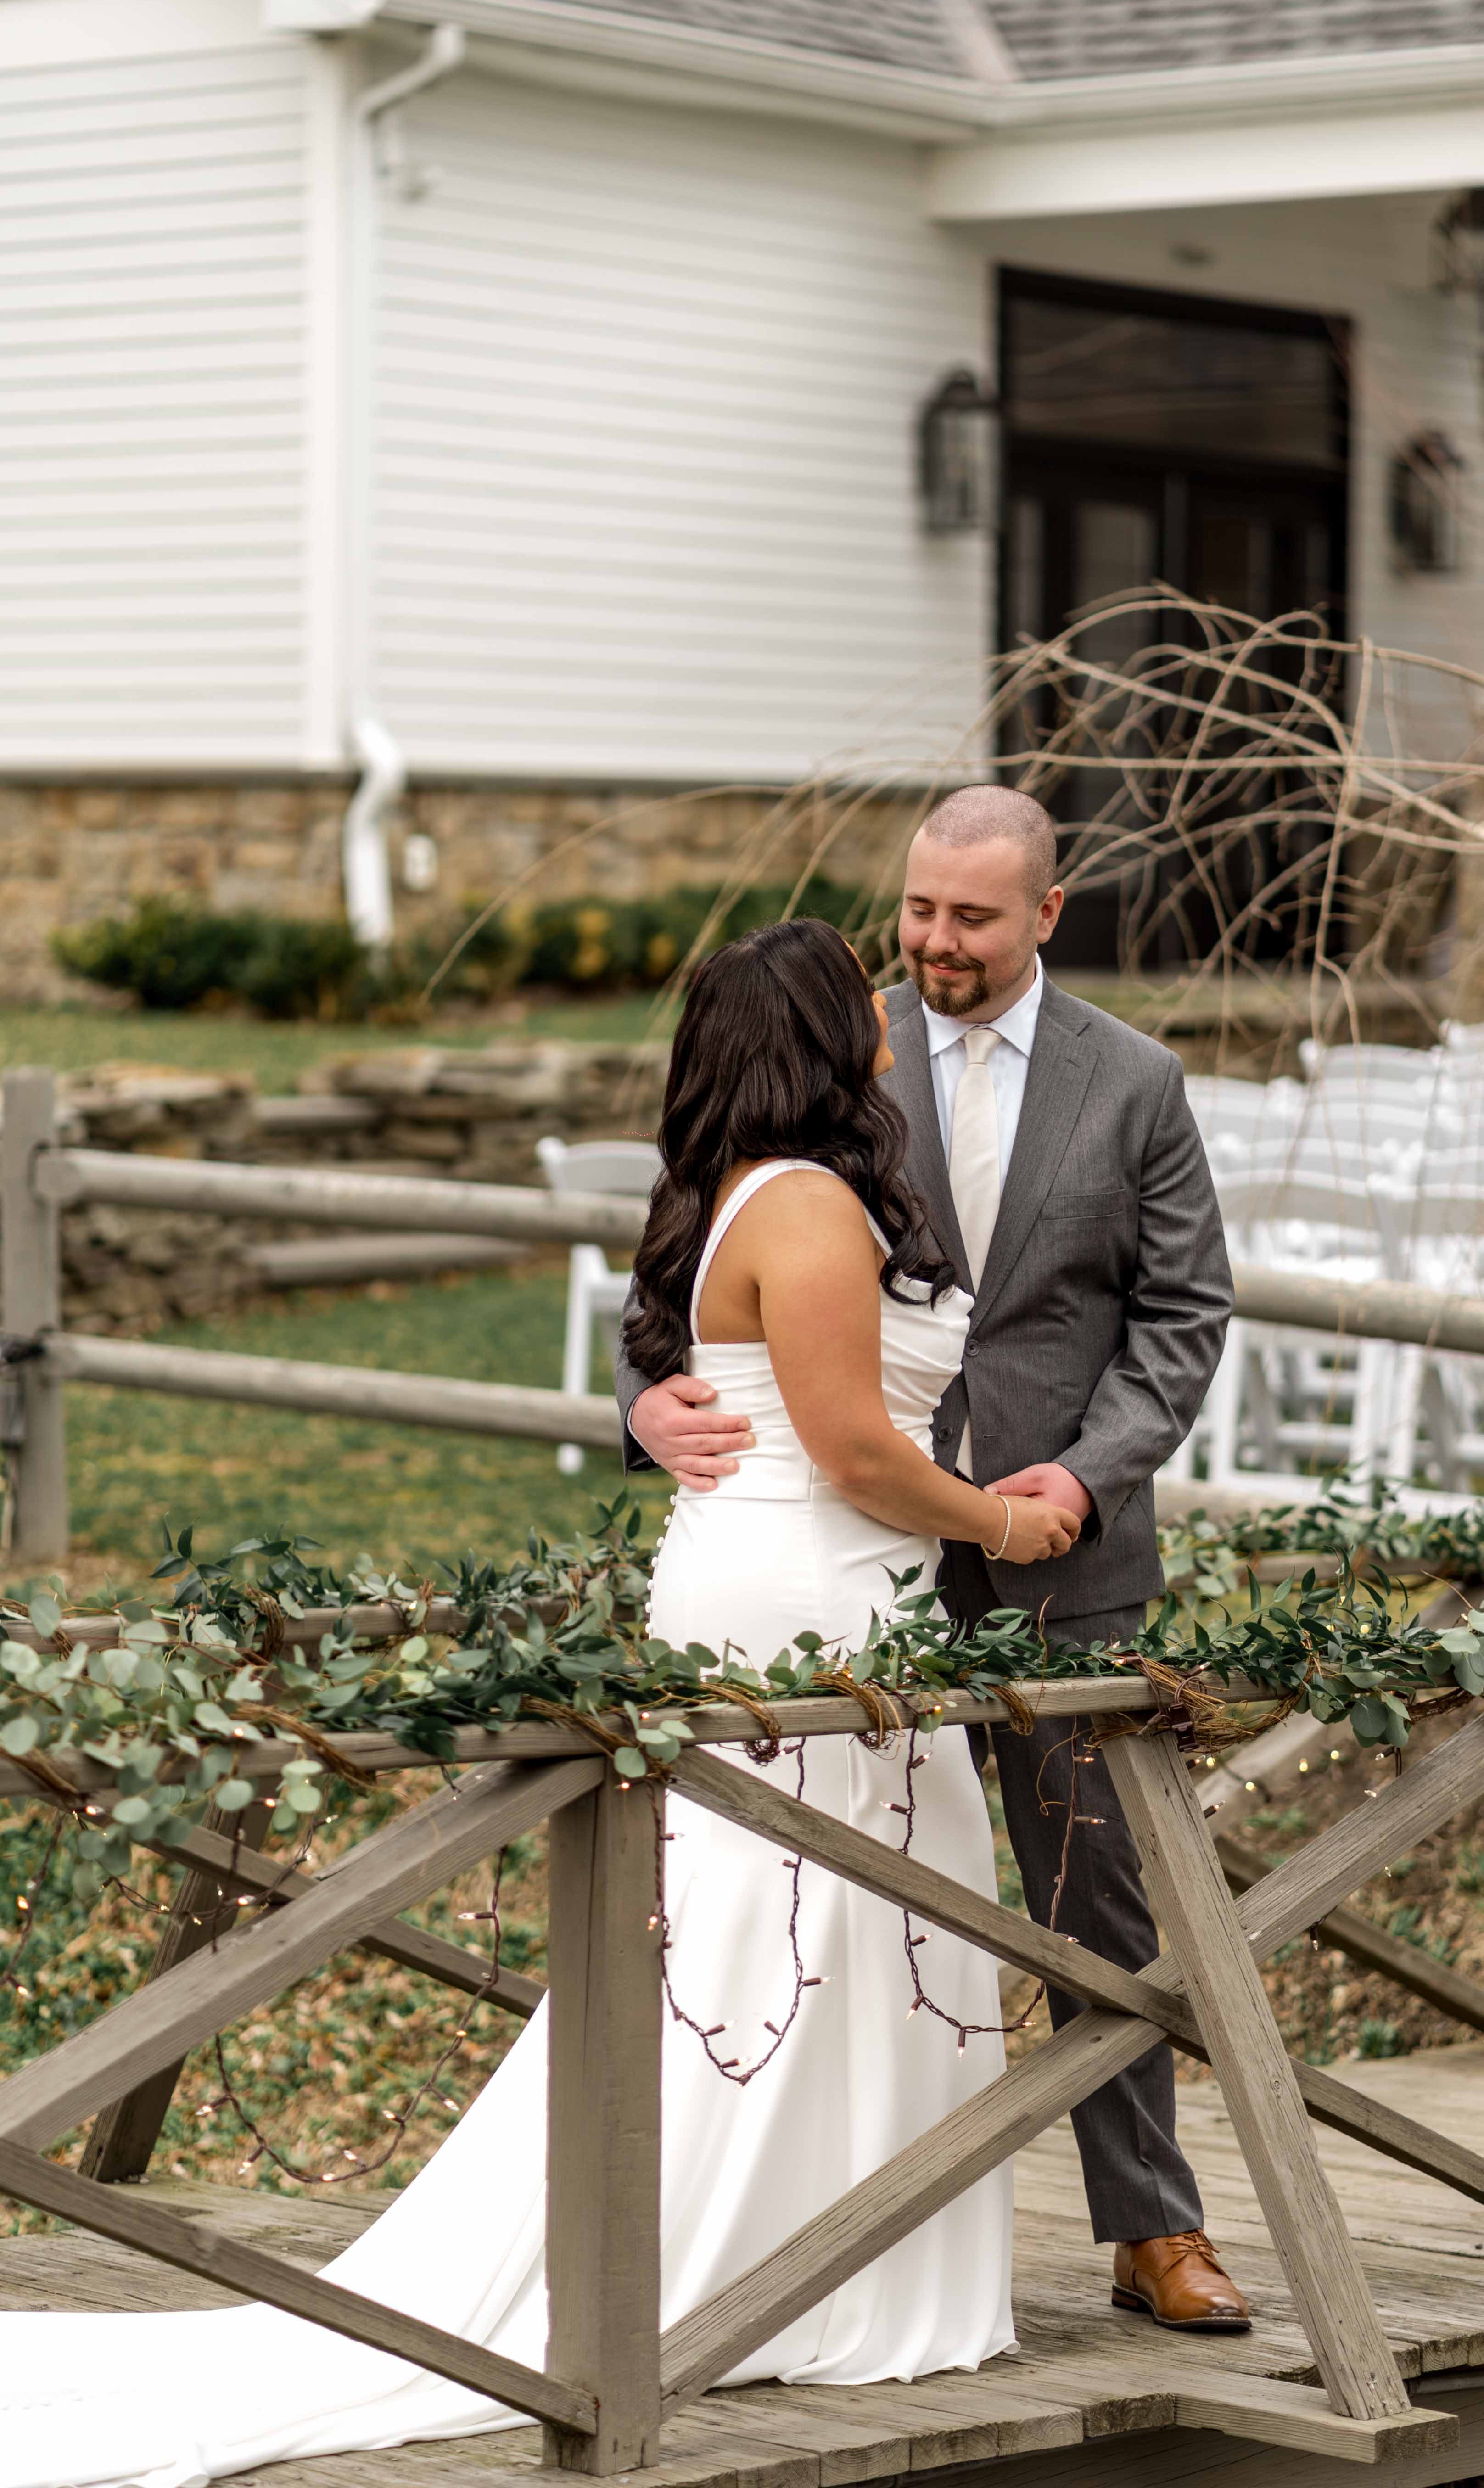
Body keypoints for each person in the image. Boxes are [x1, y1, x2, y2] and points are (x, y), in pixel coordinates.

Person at [0, 918, 1075, 2488]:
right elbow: (849, 1443)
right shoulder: (815, 1207)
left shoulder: (751, 1196)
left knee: (824, 1921)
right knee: (810, 1917)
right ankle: (757, 2275)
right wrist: (1007, 1523)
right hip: (814, 1590)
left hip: (785, 1574)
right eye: (866, 1003)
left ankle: (807, 2261)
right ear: (817, 1033)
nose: (891, 1021)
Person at [619, 787, 1250, 2335]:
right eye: (916, 910)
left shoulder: (1136, 1081)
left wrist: (1084, 1486)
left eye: (969, 917)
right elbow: (678, 1277)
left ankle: (1149, 2226)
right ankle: (814, 2227)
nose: (933, 942)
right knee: (805, 1902)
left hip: (1054, 1559)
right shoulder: (830, 1050)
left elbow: (1183, 1317)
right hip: (838, 1560)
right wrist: (641, 1405)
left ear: (1047, 911)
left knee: (1095, 1895)